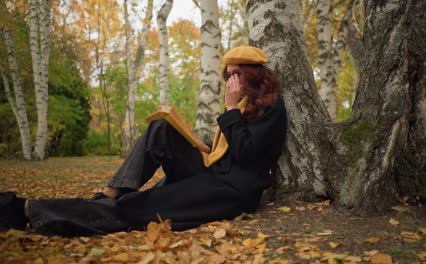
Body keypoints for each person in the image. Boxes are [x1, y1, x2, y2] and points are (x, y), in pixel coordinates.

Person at [0, 46, 288, 237]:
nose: (231, 83)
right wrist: (206, 147)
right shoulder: (243, 102)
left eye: (237, 75)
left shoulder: (271, 105)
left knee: (133, 209)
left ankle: (25, 209)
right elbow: (230, 149)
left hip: (231, 192)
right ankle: (111, 192)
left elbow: (249, 155)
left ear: (253, 74)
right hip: (214, 173)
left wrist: (229, 110)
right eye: (228, 76)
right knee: (161, 127)